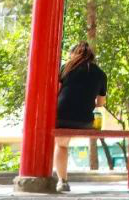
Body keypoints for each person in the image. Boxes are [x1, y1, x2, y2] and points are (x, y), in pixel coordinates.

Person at [54, 42, 107, 192]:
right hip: (85, 121)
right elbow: (101, 103)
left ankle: (62, 181)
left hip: (61, 117)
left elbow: (56, 92)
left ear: (73, 54)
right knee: (64, 140)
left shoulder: (66, 68)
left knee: (61, 145)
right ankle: (61, 179)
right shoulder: (100, 74)